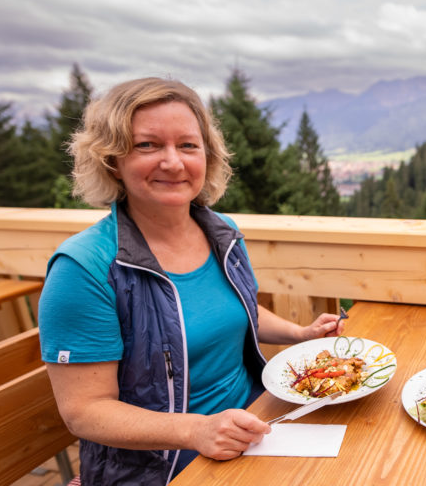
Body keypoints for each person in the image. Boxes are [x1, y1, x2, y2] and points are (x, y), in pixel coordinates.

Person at [38, 77, 345, 485]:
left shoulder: (221, 232)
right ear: (112, 159)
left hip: (259, 426)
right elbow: (85, 411)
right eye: (148, 145)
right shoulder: (84, 268)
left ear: (208, 156)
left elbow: (238, 306)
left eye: (187, 145)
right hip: (165, 465)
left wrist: (299, 333)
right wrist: (196, 430)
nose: (173, 162)